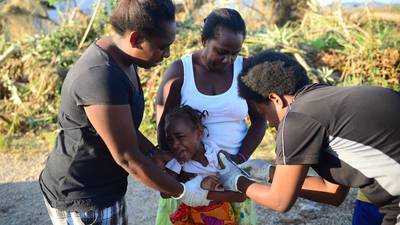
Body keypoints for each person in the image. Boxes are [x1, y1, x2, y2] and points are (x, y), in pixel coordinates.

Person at [38, 1, 210, 224]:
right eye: (162, 46)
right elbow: (128, 158)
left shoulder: (123, 57)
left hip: (106, 186)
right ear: (136, 39)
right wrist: (185, 192)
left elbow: (121, 127)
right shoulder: (100, 77)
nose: (167, 54)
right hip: (83, 195)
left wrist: (154, 154)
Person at [217, 51, 400, 225]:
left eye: (263, 112)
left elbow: (280, 201)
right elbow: (333, 191)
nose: (269, 123)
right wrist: (268, 173)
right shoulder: (326, 102)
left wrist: (235, 180)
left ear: (275, 99)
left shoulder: (296, 119)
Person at [155, 8, 266, 225]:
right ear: (203, 39)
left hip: (233, 179)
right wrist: (182, 177)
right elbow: (163, 128)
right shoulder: (180, 72)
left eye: (235, 53)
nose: (228, 60)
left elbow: (260, 119)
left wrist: (239, 160)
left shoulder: (244, 71)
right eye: (222, 52)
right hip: (191, 184)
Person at [162, 105, 247, 224]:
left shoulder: (217, 155)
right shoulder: (177, 162)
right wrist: (200, 185)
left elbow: (241, 196)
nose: (175, 145)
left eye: (180, 137)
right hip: (191, 218)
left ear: (198, 133)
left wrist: (199, 192)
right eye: (170, 140)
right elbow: (165, 192)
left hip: (221, 216)